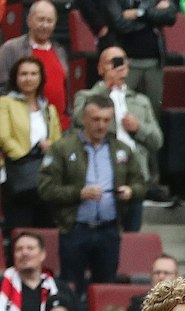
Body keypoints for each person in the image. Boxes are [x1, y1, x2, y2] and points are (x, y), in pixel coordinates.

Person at [40, 96, 144, 289]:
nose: (101, 125)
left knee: (106, 287)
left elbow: (140, 183)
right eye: (96, 119)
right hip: (75, 229)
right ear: (84, 119)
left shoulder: (121, 149)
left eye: (106, 120)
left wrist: (131, 191)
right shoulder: (62, 148)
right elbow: (46, 189)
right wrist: (79, 193)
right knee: (71, 287)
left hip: (109, 230)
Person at [72, 45, 162, 230]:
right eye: (112, 63)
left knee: (132, 235)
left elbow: (157, 141)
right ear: (100, 68)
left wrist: (139, 128)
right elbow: (80, 120)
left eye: (121, 62)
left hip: (134, 172)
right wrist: (106, 88)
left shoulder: (140, 100)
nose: (118, 67)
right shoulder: (86, 96)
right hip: (100, 173)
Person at [78, 0, 178, 129]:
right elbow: (120, 23)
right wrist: (153, 17)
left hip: (154, 62)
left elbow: (170, 16)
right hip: (125, 61)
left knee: (152, 115)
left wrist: (139, 13)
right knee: (117, 110)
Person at [2, 57, 62, 231]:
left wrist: (51, 147)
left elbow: (58, 141)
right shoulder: (5, 103)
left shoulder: (49, 109)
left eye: (33, 74)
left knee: (47, 228)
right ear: (16, 78)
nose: (28, 78)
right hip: (18, 174)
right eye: (24, 74)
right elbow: (4, 136)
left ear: (41, 78)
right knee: (20, 228)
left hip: (45, 177)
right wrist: (26, 157)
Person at [0, 3, 67, 122]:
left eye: (49, 21)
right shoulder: (11, 49)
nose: (45, 25)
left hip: (59, 125)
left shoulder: (60, 51)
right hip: (23, 123)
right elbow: (3, 89)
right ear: (29, 20)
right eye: (40, 19)